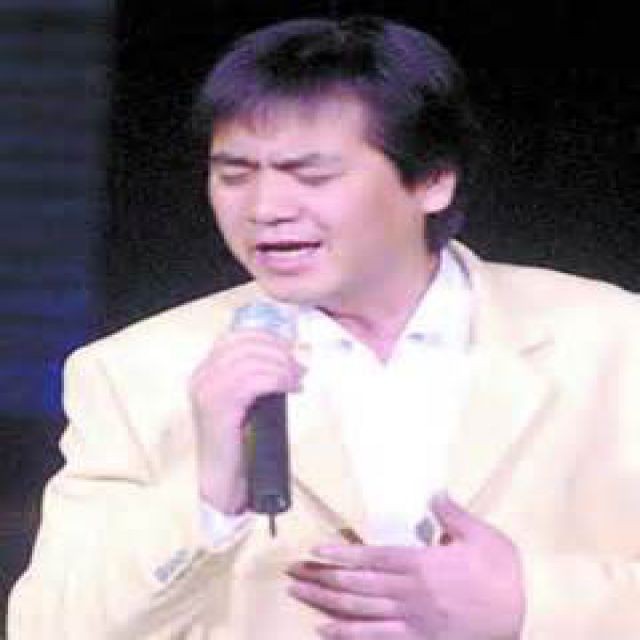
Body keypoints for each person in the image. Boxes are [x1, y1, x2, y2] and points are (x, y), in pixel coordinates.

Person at [8, 16, 640, 640]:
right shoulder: (135, 372)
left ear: (433, 180)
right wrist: (205, 497)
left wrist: (528, 606)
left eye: (311, 175)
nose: (266, 209)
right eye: (234, 175)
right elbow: (48, 628)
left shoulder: (612, 341)